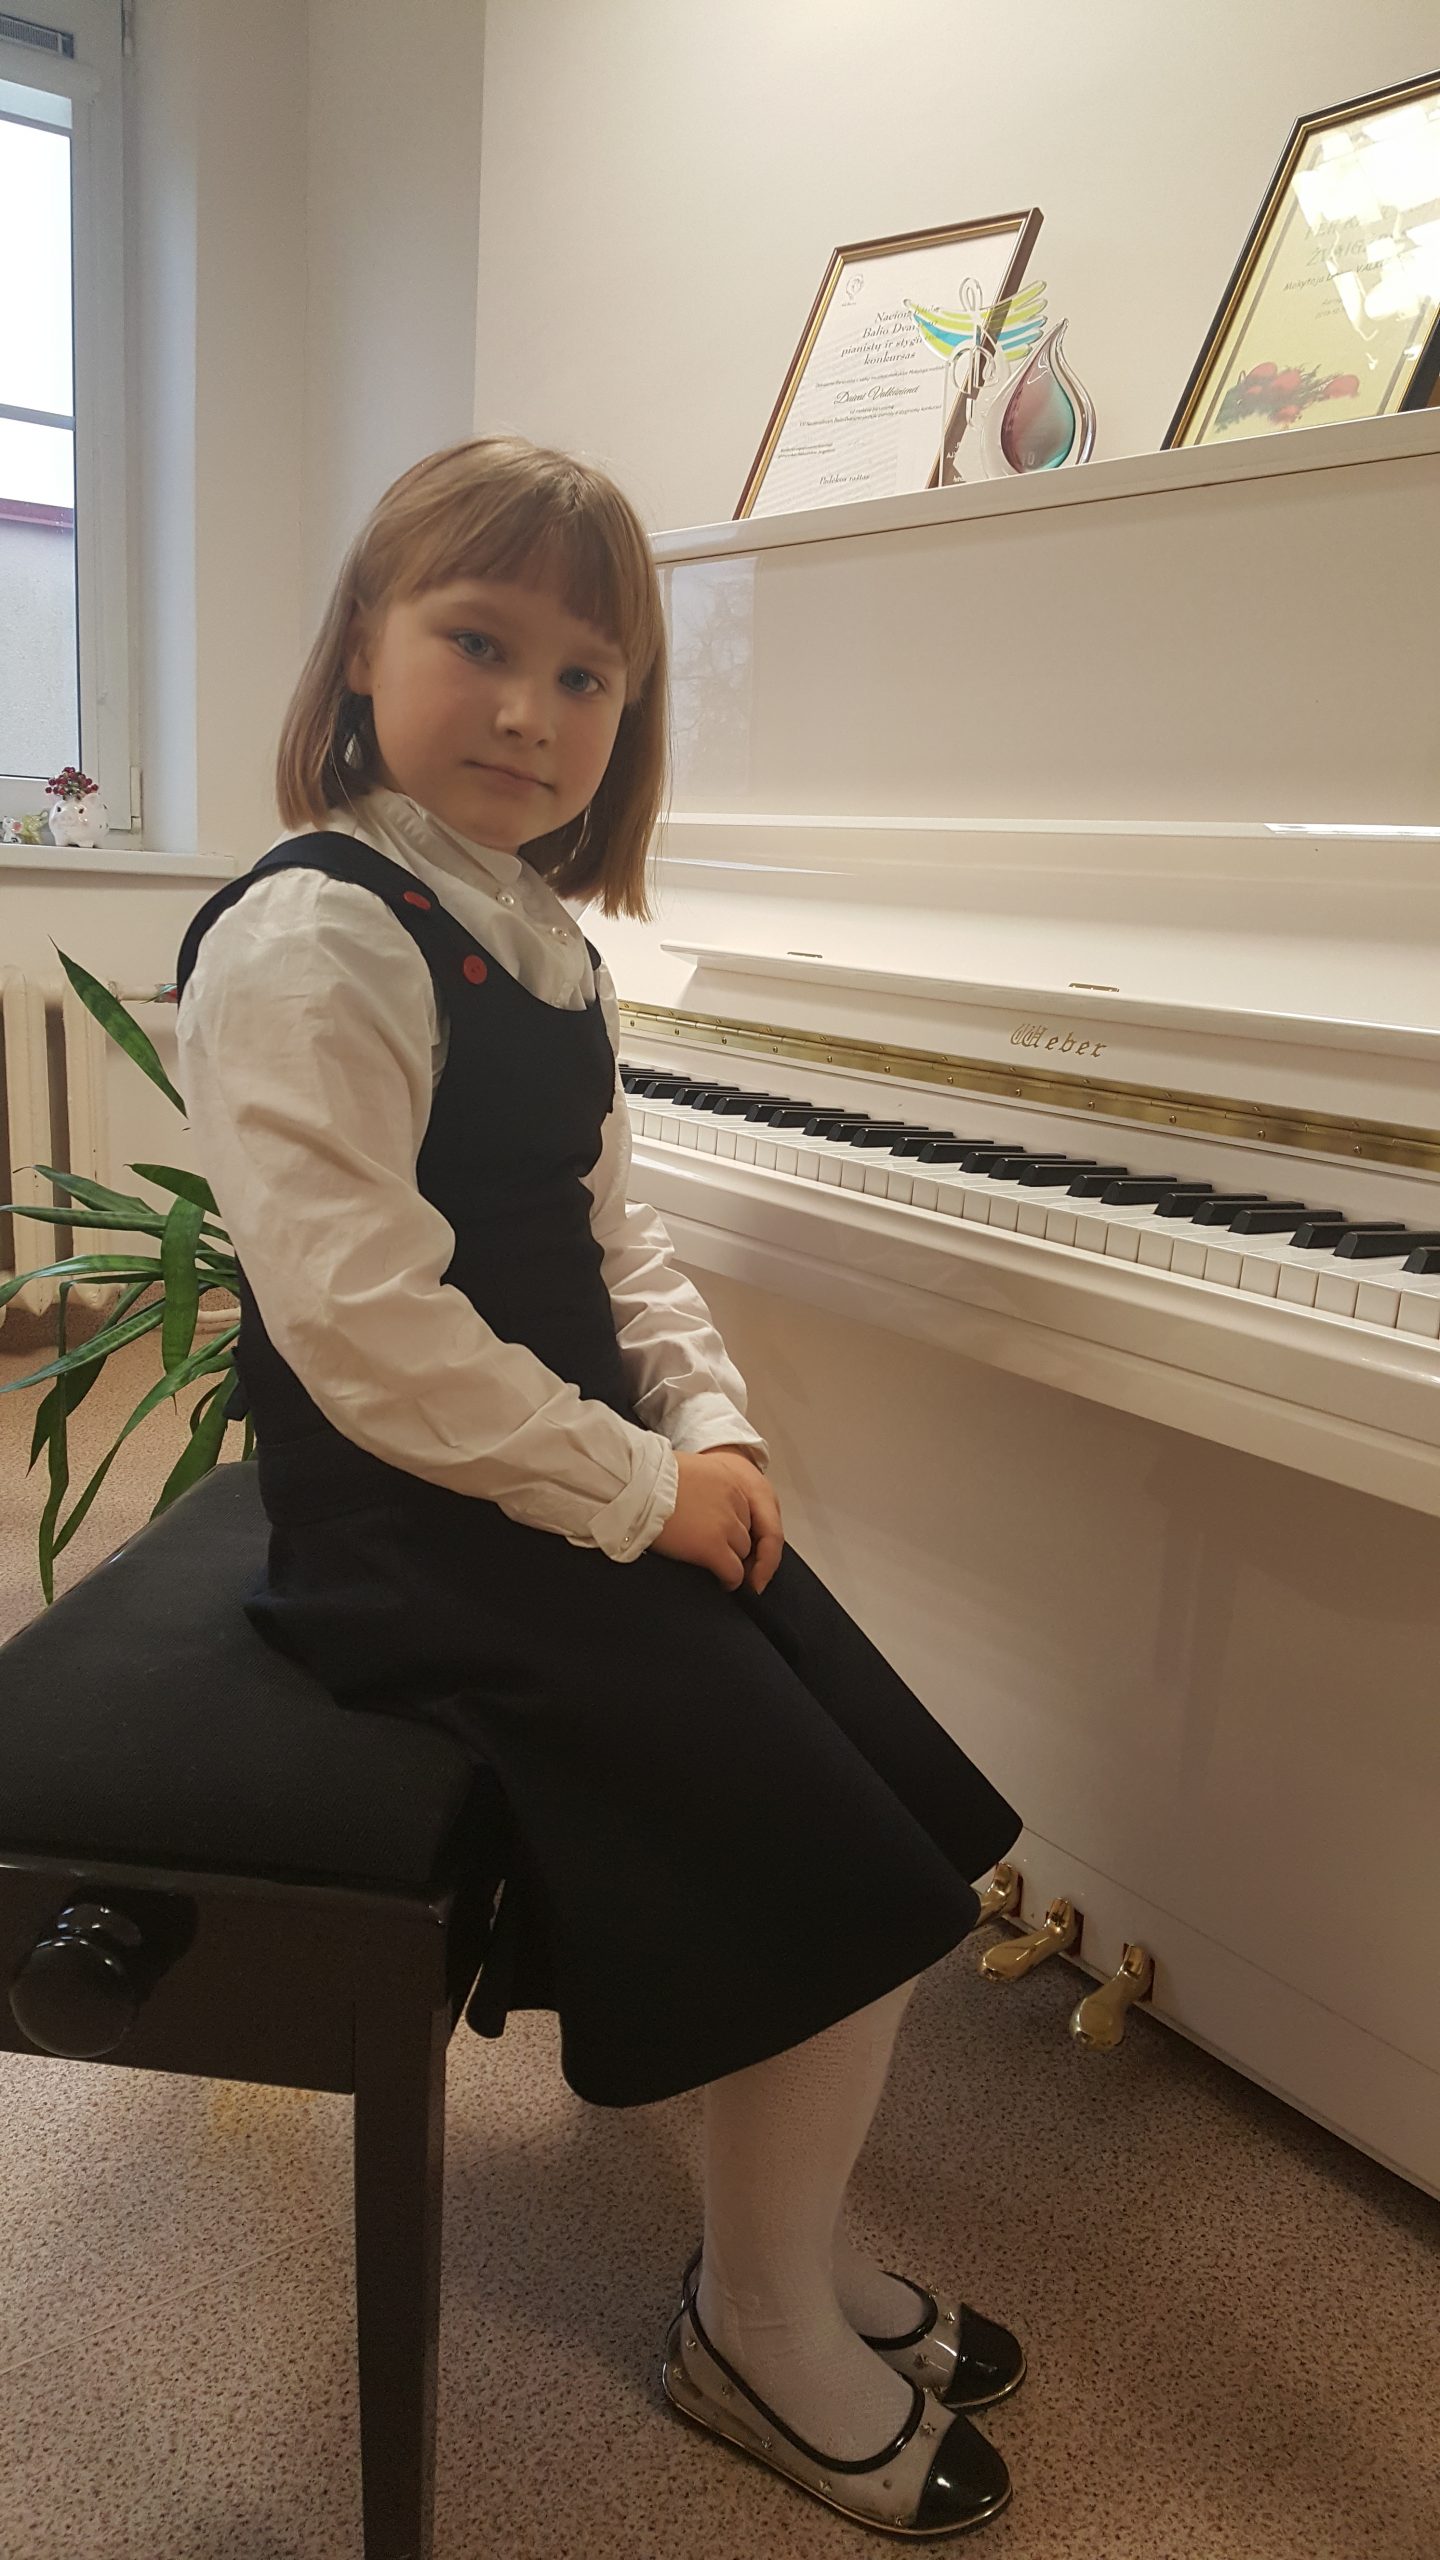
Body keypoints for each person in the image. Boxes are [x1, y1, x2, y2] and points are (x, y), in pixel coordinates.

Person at [176, 435, 1024, 2538]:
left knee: (882, 1801)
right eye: (479, 642)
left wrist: (707, 1429)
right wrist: (633, 1488)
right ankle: (752, 2318)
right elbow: (364, 1327)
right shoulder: (315, 935)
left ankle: (789, 2240)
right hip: (412, 1525)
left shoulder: (539, 936)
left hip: (568, 1482)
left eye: (586, 676)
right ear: (360, 648)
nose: (532, 711)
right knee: (829, 1865)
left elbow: (614, 1239)